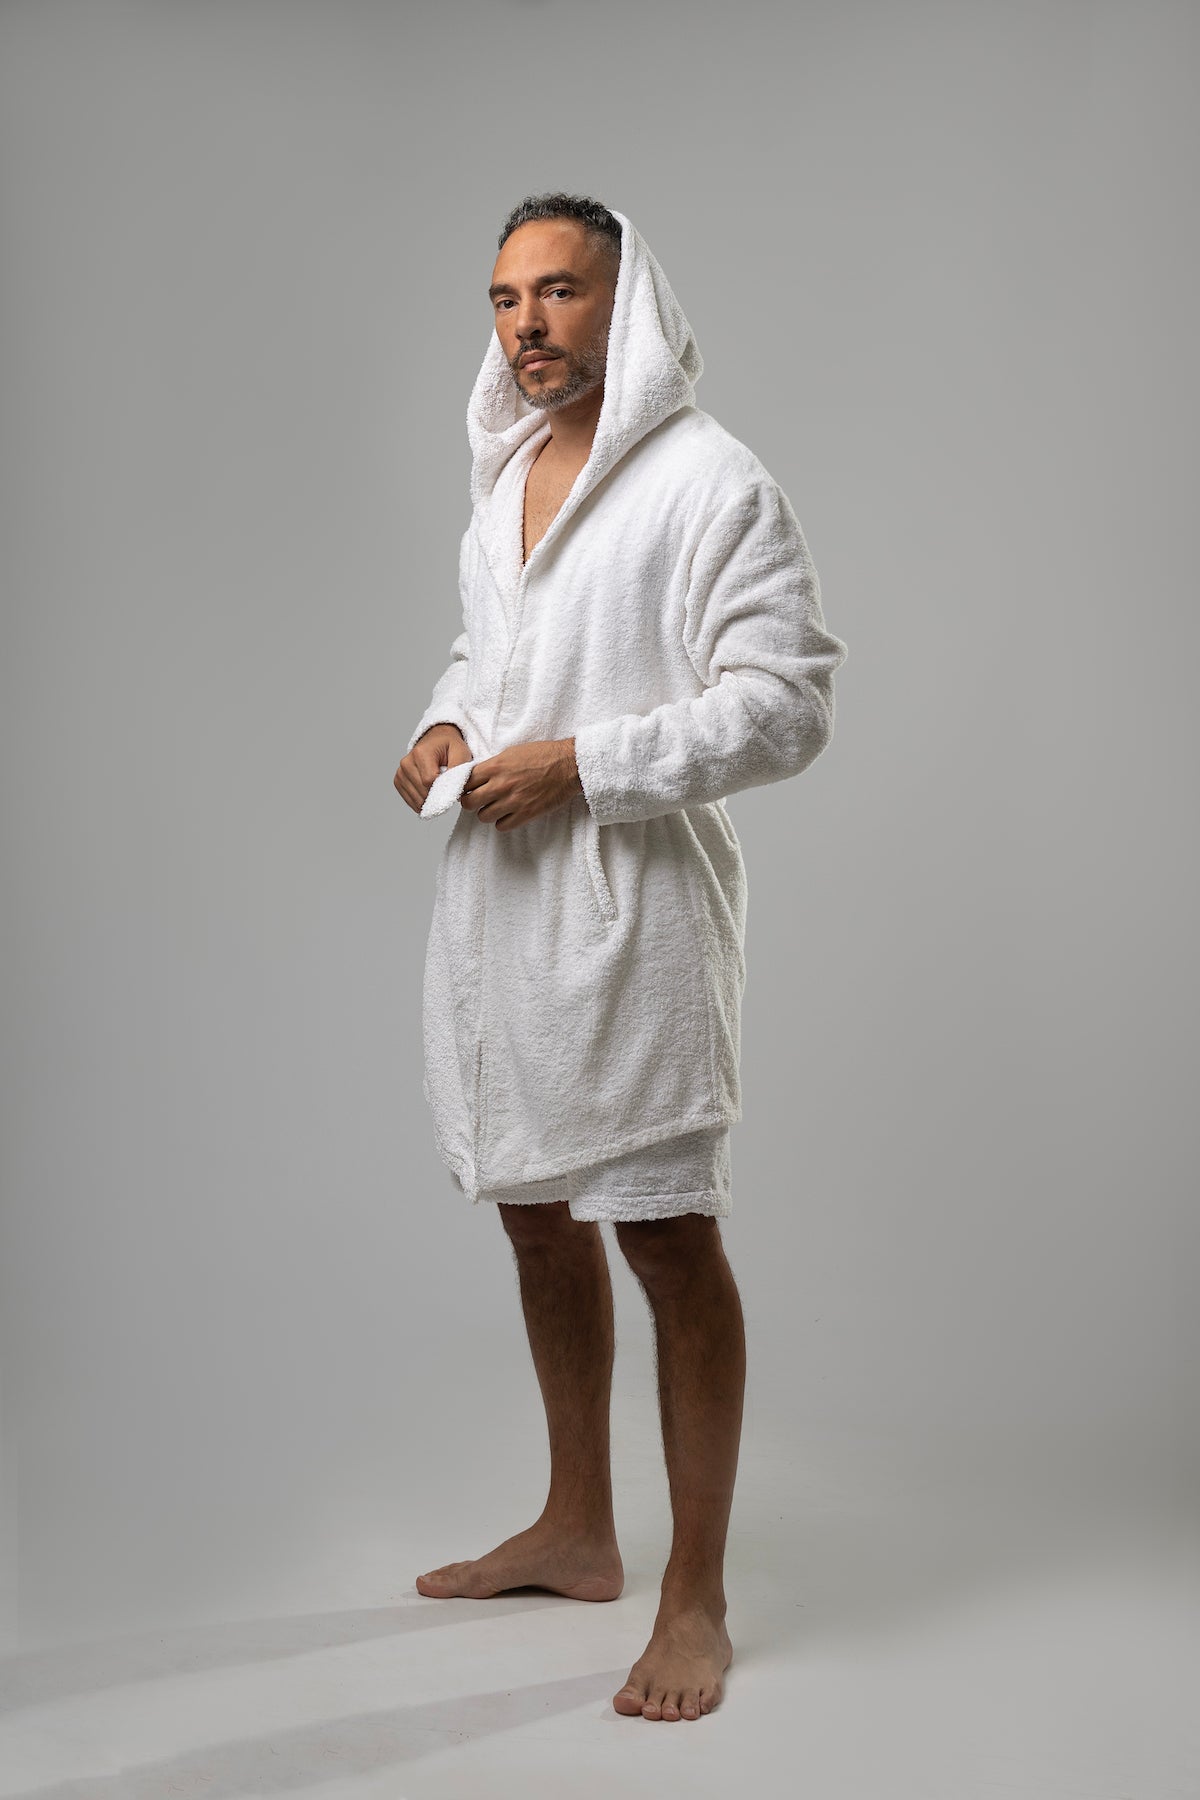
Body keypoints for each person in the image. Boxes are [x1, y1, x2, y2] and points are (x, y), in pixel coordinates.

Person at [393, 193, 847, 1722]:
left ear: (624, 300)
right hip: (503, 913)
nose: (528, 323)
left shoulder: (713, 483)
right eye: (506, 297)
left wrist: (586, 765)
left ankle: (695, 1594)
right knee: (535, 1219)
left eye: (560, 291)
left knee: (665, 1237)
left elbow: (787, 703)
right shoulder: (505, 477)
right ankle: (578, 1529)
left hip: (634, 919)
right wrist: (445, 725)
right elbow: (493, 654)